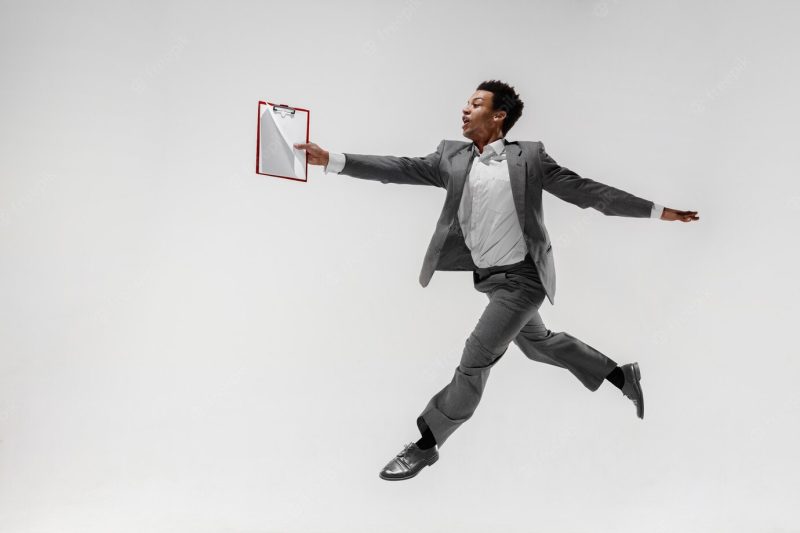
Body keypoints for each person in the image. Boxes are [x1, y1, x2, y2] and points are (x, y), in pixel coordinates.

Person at [294, 80, 699, 481]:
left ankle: (427, 442)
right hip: (490, 281)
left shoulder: (531, 158)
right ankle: (620, 375)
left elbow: (589, 193)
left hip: (524, 281)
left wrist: (659, 211)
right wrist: (331, 158)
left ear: (499, 115)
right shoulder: (449, 158)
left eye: (475, 104)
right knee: (540, 344)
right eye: (465, 104)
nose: (464, 110)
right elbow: (398, 168)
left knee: (476, 357)